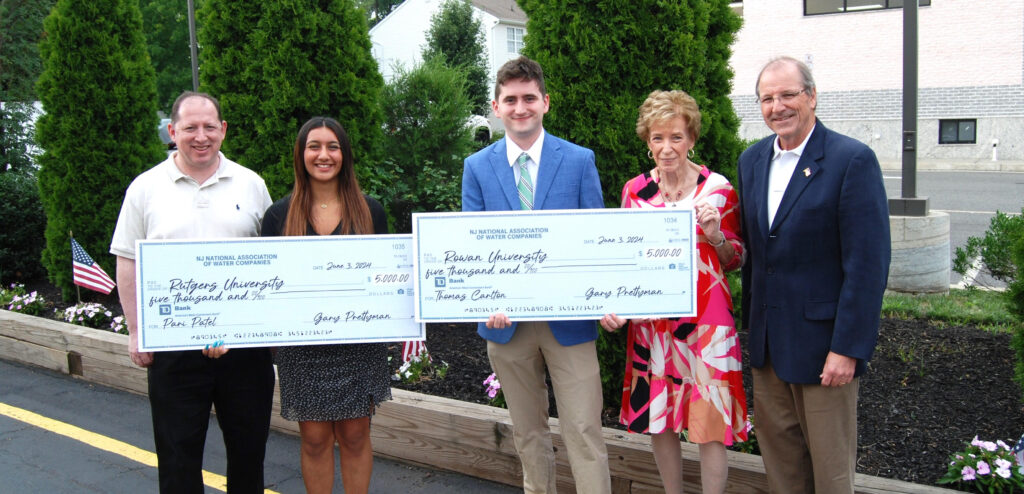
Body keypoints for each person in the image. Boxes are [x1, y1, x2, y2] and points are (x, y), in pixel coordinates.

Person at [737, 57, 891, 493]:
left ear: (812, 96)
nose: (777, 106)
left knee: (830, 474)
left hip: (826, 353)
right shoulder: (751, 161)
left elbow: (868, 265)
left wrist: (848, 348)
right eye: (767, 98)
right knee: (782, 470)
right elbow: (756, 251)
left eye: (788, 95)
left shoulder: (851, 160)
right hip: (769, 349)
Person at [110, 91, 275, 493]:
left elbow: (273, 259)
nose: (200, 136)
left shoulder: (251, 184)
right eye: (189, 128)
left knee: (249, 453)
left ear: (223, 130)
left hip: (244, 348)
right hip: (174, 348)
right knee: (178, 457)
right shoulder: (145, 188)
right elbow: (127, 261)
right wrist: (136, 331)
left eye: (208, 127)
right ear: (172, 131)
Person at [461, 55, 611, 494]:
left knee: (584, 432)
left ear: (545, 102)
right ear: (496, 106)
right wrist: (484, 300)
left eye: (529, 98)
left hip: (570, 323)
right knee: (528, 434)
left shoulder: (579, 161)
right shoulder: (477, 167)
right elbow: (472, 245)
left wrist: (605, 298)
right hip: (506, 326)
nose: (520, 107)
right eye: (511, 99)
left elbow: (597, 237)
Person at [598, 90, 748, 494]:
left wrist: (716, 235)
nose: (667, 148)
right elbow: (625, 258)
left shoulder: (718, 189)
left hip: (708, 326)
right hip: (653, 324)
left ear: (692, 138)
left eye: (676, 137)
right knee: (659, 418)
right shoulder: (634, 191)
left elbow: (736, 259)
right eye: (658, 137)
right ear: (647, 141)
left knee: (711, 423)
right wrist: (616, 306)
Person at [259, 117, 391, 494]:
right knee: (314, 439)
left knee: (354, 435)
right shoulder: (279, 216)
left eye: (332, 146)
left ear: (344, 154)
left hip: (358, 344)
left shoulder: (371, 211)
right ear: (301, 155)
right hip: (304, 348)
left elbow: (386, 278)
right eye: (313, 146)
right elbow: (267, 286)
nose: (323, 154)